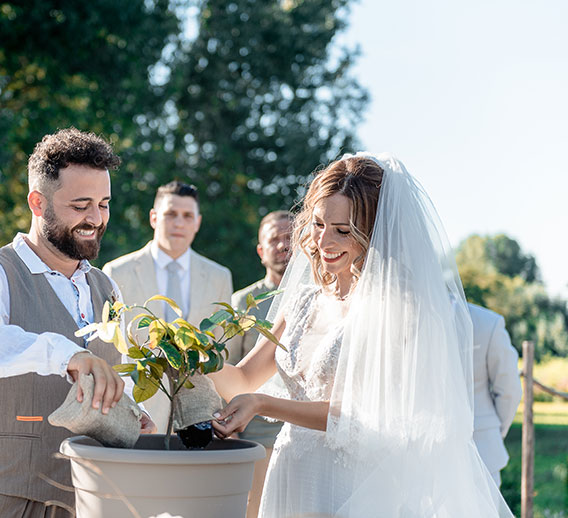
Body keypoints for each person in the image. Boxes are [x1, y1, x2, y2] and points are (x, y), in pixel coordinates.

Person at [209, 154, 512, 517]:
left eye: (343, 230)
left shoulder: (397, 309)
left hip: (352, 484)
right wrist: (187, 356)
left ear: (373, 232)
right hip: (291, 472)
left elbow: (357, 415)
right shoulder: (304, 300)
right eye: (319, 224)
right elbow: (242, 380)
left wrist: (263, 404)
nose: (323, 241)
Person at [0, 128, 153, 518]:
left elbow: (117, 374)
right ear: (38, 202)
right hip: (12, 500)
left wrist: (131, 413)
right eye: (80, 205)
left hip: (98, 501)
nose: (96, 218)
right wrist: (62, 353)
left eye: (104, 204)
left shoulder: (107, 287)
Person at [103, 181, 233, 432]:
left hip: (200, 414)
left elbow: (221, 349)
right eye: (171, 214)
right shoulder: (116, 272)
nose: (179, 223)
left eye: (187, 216)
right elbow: (110, 346)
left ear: (198, 222)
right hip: (137, 412)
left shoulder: (219, 276)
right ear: (154, 217)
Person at [228, 210, 291, 518]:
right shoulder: (245, 302)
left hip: (309, 428)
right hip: (257, 434)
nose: (283, 245)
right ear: (261, 251)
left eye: (290, 238)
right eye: (275, 239)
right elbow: (232, 365)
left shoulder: (323, 297)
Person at [469, 303, 522, 486]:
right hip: (482, 447)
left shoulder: (393, 318)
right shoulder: (488, 322)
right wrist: (495, 430)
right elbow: (510, 390)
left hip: (417, 452)